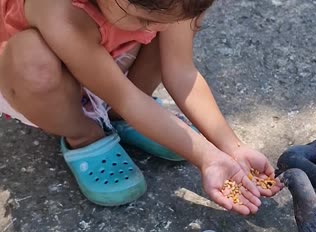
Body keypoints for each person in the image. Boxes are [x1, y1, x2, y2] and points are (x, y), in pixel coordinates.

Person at [0, 0, 282, 215]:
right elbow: (126, 97)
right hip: (41, 85)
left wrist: (230, 148)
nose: (156, 29)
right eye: (144, 18)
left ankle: (121, 119)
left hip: (115, 72)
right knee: (32, 61)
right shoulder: (57, 9)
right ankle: (85, 135)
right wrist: (205, 157)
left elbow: (182, 73)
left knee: (164, 28)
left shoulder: (171, 4)